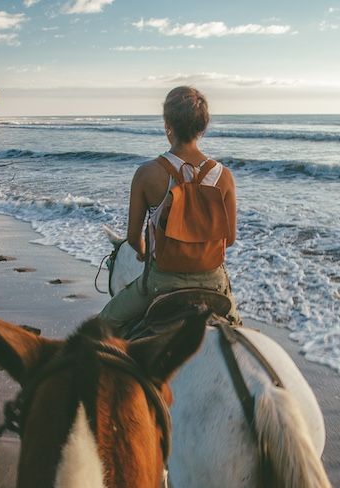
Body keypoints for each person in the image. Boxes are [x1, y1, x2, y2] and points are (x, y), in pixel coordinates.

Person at [99, 86, 241, 332]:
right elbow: (229, 240)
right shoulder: (224, 176)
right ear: (203, 126)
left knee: (103, 324)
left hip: (162, 282)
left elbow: (133, 238)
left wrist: (145, 253)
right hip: (214, 283)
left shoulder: (147, 173)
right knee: (241, 337)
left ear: (167, 123)